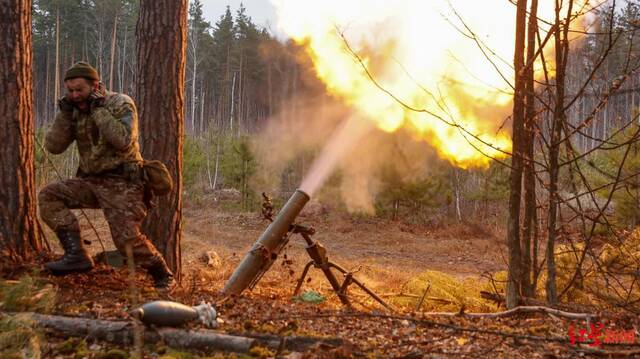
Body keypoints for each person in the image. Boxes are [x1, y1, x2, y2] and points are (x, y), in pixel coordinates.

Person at [39, 61, 175, 290]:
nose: (74, 96)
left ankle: (162, 272)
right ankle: (77, 255)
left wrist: (98, 109)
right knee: (49, 196)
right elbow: (54, 146)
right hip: (91, 181)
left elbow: (123, 140)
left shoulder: (120, 103)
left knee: (126, 241)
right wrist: (64, 114)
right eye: (70, 91)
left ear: (95, 86)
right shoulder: (73, 111)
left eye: (79, 90)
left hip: (123, 183)